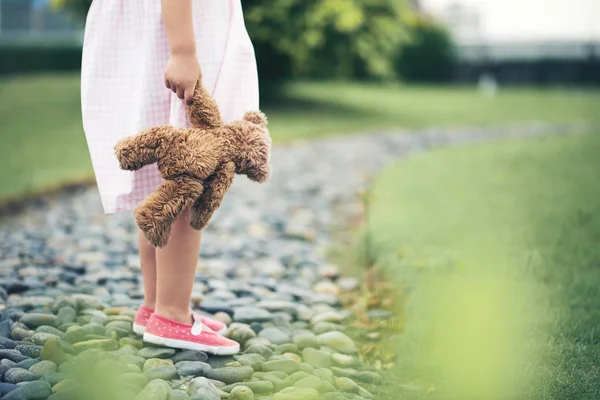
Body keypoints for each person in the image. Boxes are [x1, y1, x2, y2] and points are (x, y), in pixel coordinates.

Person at [81, 0, 259, 355]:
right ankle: (172, 314)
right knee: (192, 166)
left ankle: (155, 305)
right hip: (178, 29)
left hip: (167, 25)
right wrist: (183, 50)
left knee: (166, 174)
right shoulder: (182, 44)